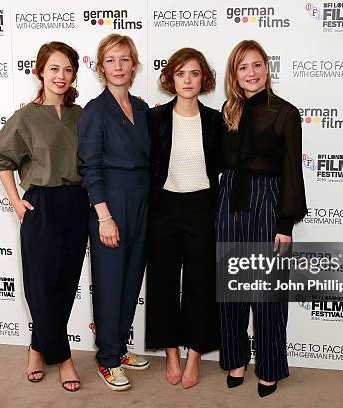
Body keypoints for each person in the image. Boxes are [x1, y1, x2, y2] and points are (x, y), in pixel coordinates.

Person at [0, 42, 88, 392]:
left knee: (63, 285)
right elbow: (1, 160)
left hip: (76, 204)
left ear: (74, 74)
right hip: (41, 205)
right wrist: (16, 202)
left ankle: (35, 347)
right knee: (41, 287)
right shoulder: (25, 116)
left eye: (68, 70)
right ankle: (64, 358)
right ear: (40, 72)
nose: (61, 76)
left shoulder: (81, 115)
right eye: (54, 69)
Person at [217, 40, 307, 398]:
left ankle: (269, 367)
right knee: (231, 289)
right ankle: (236, 360)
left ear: (267, 69)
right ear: (234, 74)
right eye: (243, 68)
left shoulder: (285, 112)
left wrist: (285, 224)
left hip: (268, 202)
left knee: (268, 293)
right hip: (229, 199)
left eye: (256, 66)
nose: (251, 73)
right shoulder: (229, 109)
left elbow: (290, 170)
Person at [145, 48, 222, 389]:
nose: (187, 80)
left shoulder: (215, 120)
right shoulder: (155, 118)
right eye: (180, 73)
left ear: (203, 78)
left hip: (202, 207)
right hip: (164, 206)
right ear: (170, 79)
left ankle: (194, 357)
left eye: (194, 73)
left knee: (200, 284)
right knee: (162, 282)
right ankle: (172, 353)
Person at [77, 34, 150, 392]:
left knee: (131, 279)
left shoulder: (142, 108)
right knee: (108, 283)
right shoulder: (95, 110)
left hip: (141, 201)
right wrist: (104, 216)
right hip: (110, 203)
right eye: (111, 60)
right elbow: (90, 167)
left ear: (133, 64)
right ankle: (107, 359)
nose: (118, 66)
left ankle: (119, 349)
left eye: (124, 59)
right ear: (101, 67)